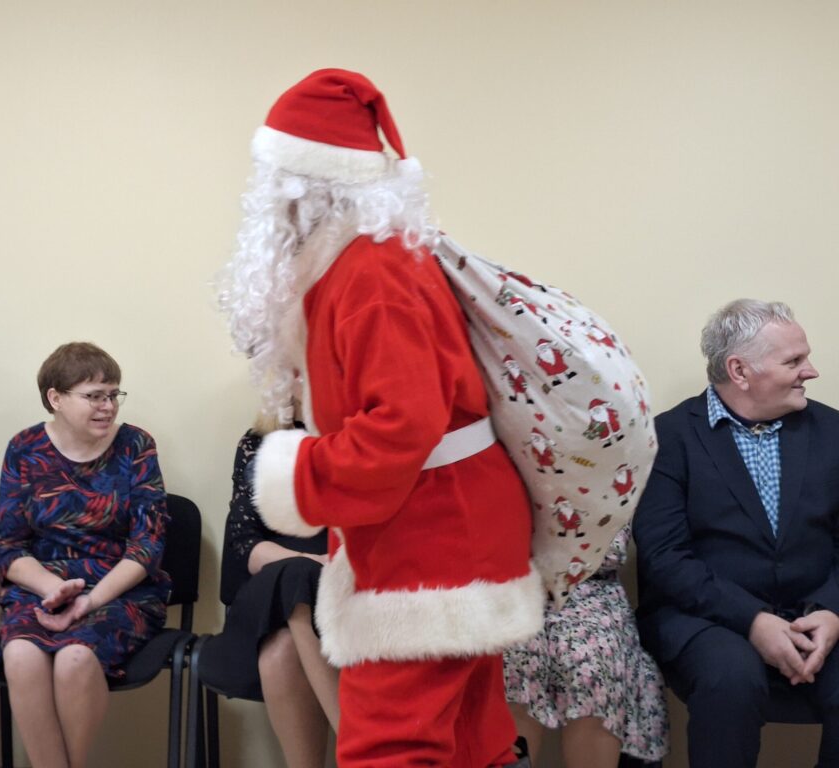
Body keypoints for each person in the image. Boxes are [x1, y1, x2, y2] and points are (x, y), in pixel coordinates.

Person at [220, 68, 542, 768]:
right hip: (453, 531)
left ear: (303, 187)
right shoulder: (367, 262)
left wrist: (296, 474)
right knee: (470, 743)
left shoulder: (372, 272)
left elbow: (402, 424)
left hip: (433, 544)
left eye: (271, 181)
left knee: (388, 746)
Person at [633, 299, 839, 768]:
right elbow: (665, 556)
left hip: (817, 611)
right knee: (731, 676)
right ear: (740, 371)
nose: (811, 372)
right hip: (705, 618)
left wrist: (832, 612)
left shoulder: (833, 431)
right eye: (794, 361)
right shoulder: (669, 439)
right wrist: (752, 620)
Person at [0, 342, 171, 768]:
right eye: (94, 396)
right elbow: (8, 547)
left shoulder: (135, 445)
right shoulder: (25, 448)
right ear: (55, 398)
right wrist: (54, 590)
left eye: (113, 394)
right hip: (42, 588)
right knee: (20, 654)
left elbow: (147, 545)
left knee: (74, 658)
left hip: (120, 592)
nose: (108, 406)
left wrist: (89, 600)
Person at [200, 414, 337, 768]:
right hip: (266, 593)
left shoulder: (356, 437)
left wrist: (330, 566)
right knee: (296, 576)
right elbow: (245, 545)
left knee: (279, 654)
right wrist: (312, 561)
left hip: (339, 592)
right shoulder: (259, 442)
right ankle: (361, 749)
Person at [504, 524, 669, 767]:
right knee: (513, 662)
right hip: (513, 584)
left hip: (592, 588)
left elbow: (611, 550)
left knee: (594, 669)